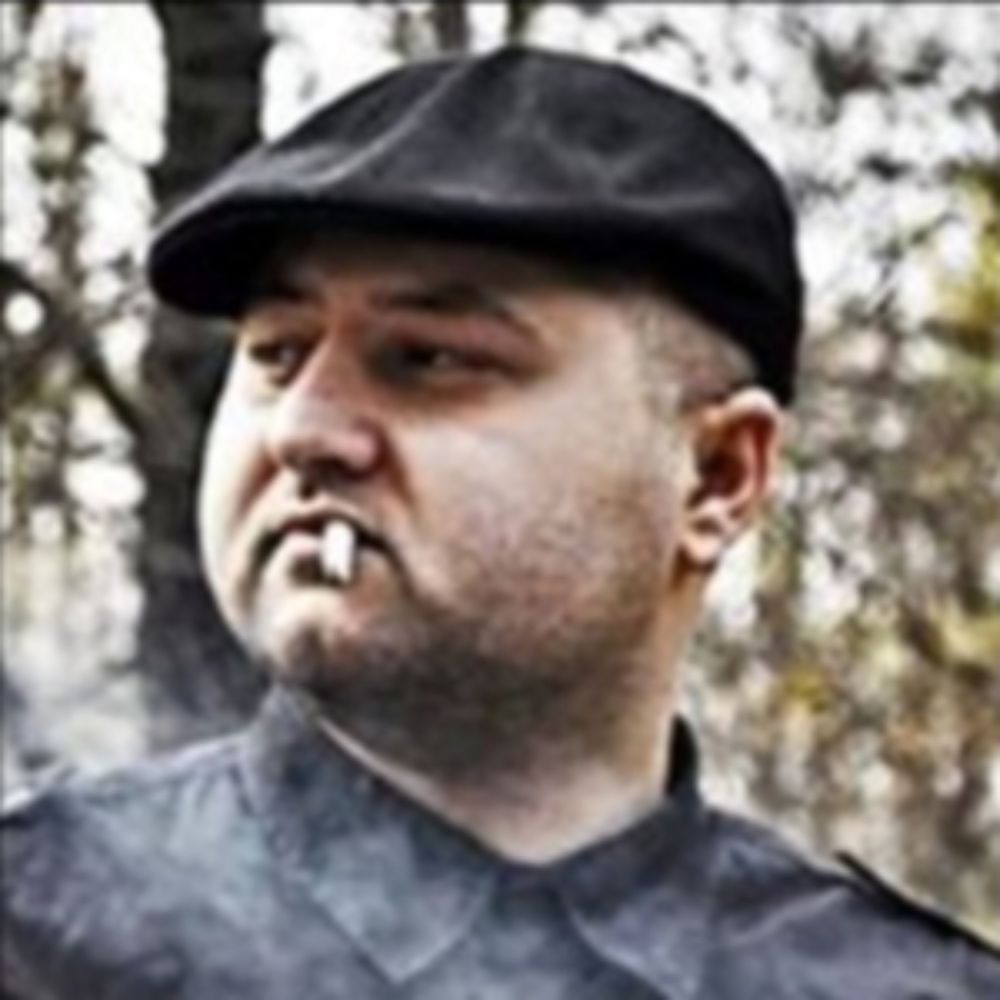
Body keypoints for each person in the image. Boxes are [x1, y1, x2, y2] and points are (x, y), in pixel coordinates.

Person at [2, 46, 997, 1000]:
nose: (303, 429)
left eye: (429, 358)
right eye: (278, 351)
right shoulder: (35, 931)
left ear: (715, 476)